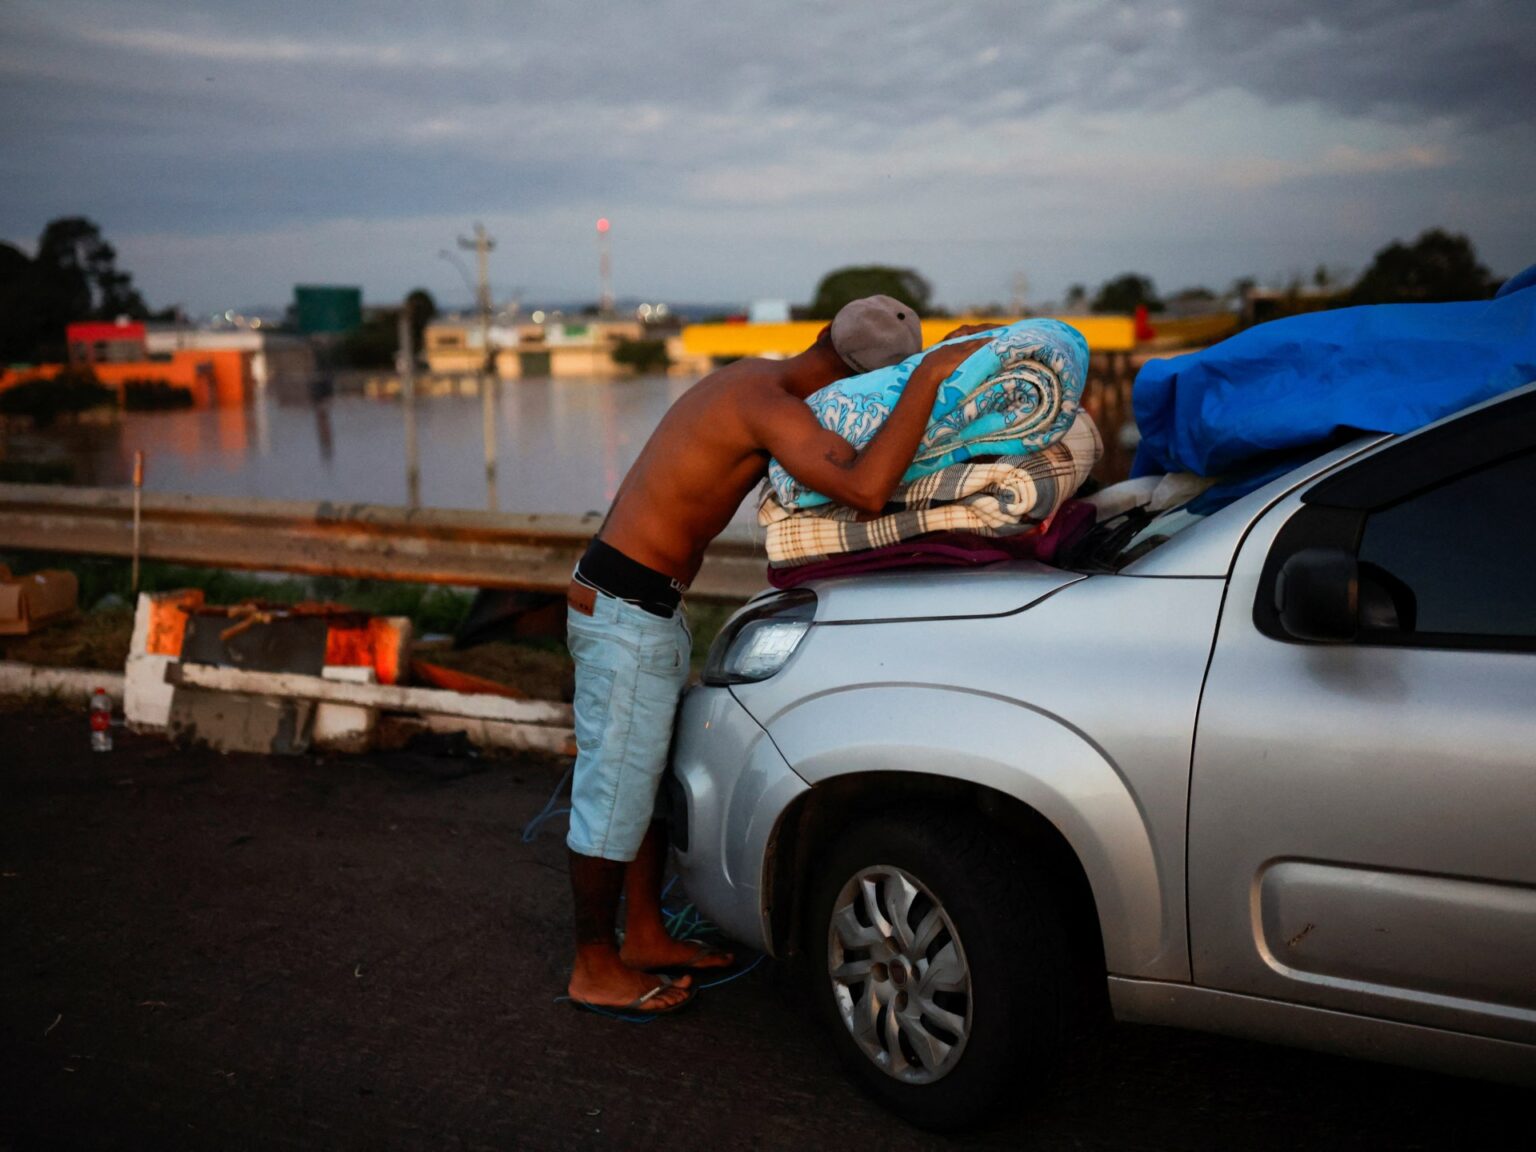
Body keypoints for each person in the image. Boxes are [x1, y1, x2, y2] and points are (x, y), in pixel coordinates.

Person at [564, 296, 992, 1016]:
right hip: (622, 611)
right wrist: (930, 379)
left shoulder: (753, 377)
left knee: (643, 780)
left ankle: (642, 934)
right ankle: (593, 965)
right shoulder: (771, 407)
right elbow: (864, 488)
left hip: (641, 604)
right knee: (612, 796)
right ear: (860, 381)